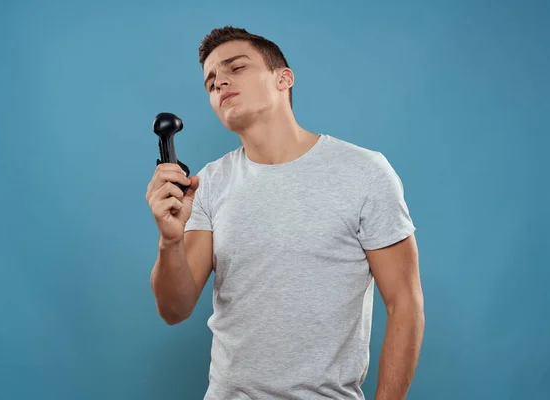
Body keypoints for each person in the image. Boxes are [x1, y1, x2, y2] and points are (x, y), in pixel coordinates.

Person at [145, 26, 425, 400]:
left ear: (283, 79)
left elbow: (404, 303)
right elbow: (174, 309)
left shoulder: (364, 172)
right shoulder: (208, 183)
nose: (219, 82)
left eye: (236, 67)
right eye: (210, 81)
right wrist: (169, 240)